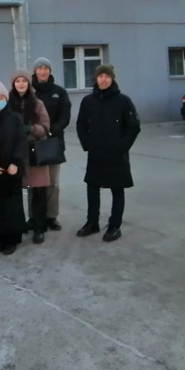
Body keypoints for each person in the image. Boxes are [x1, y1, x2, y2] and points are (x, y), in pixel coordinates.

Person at [75, 64, 141, 242]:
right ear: (96, 79)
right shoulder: (88, 101)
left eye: (107, 76)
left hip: (116, 154)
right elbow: (81, 125)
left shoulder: (123, 101)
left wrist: (122, 146)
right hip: (96, 153)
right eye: (100, 76)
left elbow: (133, 127)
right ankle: (92, 222)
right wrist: (87, 144)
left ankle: (114, 226)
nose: (103, 80)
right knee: (92, 187)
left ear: (112, 78)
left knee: (117, 189)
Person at [0, 81, 28, 255]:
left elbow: (21, 141)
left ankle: (13, 237)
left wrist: (16, 162)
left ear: (6, 98)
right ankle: (0, 236)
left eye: (0, 97)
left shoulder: (15, 118)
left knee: (13, 204)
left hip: (12, 169)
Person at [8, 70, 52, 244]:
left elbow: (45, 126)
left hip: (35, 152)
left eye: (24, 81)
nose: (21, 84)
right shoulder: (8, 103)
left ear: (28, 84)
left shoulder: (37, 103)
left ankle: (39, 227)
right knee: (15, 192)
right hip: (16, 152)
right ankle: (21, 224)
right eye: (17, 81)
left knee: (38, 191)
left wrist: (31, 129)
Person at [30, 57, 72, 232]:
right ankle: (33, 216)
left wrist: (54, 129)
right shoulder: (29, 92)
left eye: (46, 68)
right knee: (34, 182)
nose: (43, 71)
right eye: (39, 68)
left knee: (52, 182)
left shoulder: (59, 92)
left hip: (53, 142)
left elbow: (65, 115)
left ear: (50, 71)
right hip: (33, 142)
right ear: (35, 71)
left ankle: (51, 216)